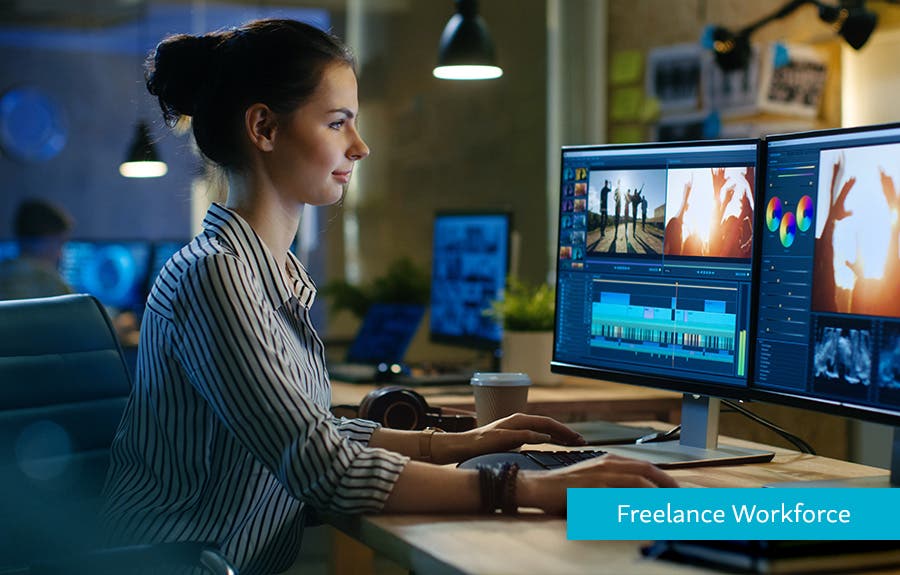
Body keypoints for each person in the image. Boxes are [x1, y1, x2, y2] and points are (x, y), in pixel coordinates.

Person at [100, 19, 677, 575]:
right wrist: (525, 486)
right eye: (337, 123)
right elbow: (321, 466)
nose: (361, 146)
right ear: (265, 129)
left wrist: (456, 443)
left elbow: (313, 432)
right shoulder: (215, 277)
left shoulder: (261, 273)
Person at [0, 198, 73, 300]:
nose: (61, 254)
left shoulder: (3, 272)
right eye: (60, 243)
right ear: (46, 241)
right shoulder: (49, 283)